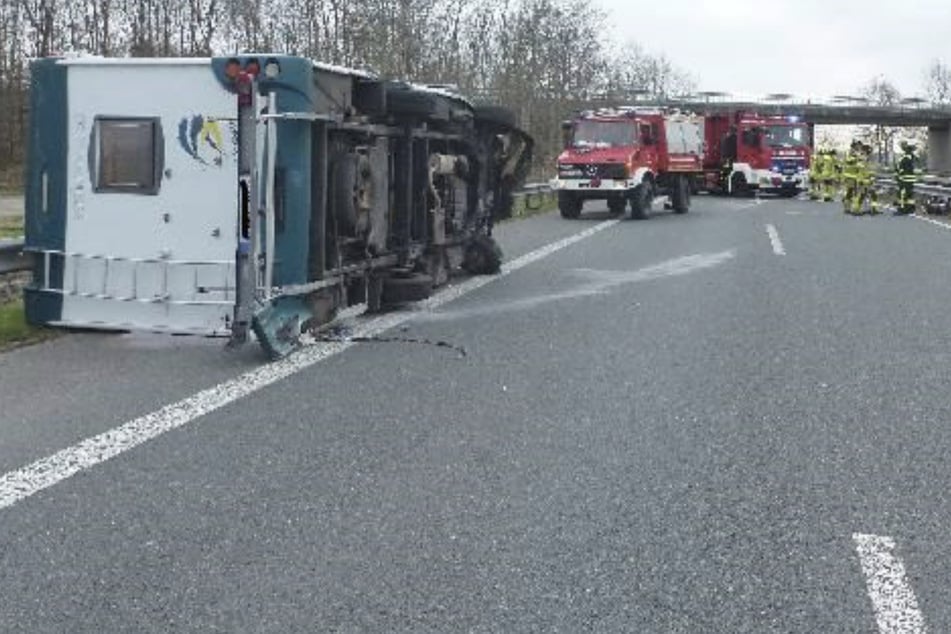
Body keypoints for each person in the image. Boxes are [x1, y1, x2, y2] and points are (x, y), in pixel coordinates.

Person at [894, 141, 921, 215]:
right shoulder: (913, 157)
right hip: (911, 179)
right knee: (910, 194)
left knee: (902, 194)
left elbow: (899, 168)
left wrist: (898, 176)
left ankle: (902, 209)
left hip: (904, 179)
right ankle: (910, 208)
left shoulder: (904, 158)